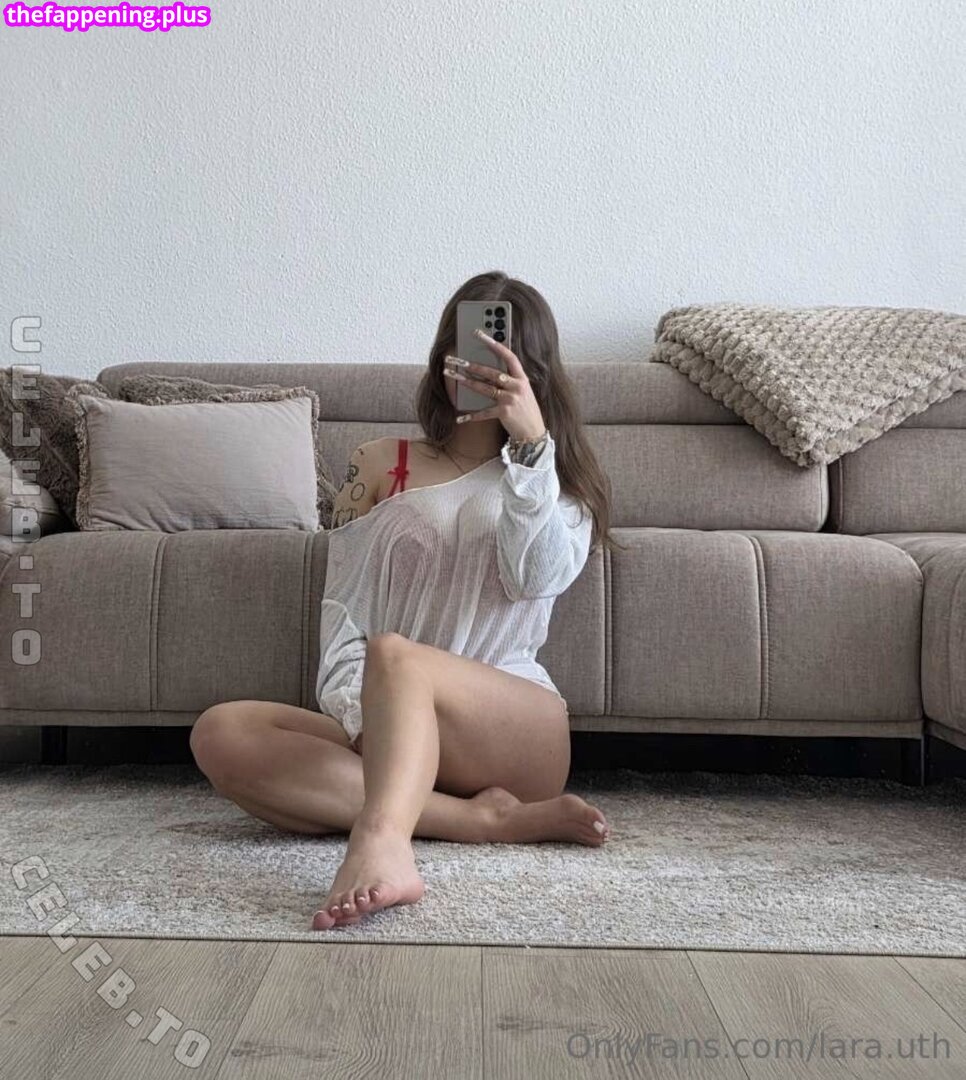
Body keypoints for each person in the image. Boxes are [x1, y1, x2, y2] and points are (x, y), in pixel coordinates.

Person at [189, 271, 619, 931]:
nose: (481, 366)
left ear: (534, 370)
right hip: (391, 720)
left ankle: (382, 841)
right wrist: (364, 717)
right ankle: (482, 820)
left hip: (512, 729)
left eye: (501, 353)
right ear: (443, 358)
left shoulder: (558, 480)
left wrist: (532, 449)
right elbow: (345, 612)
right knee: (222, 732)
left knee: (397, 656)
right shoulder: (377, 462)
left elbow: (534, 579)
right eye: (466, 346)